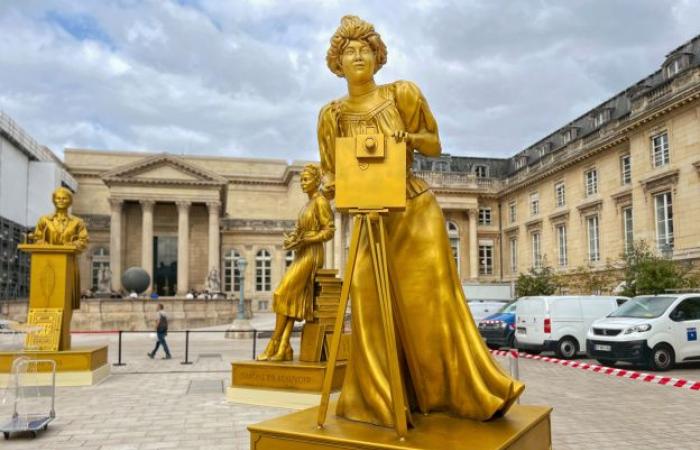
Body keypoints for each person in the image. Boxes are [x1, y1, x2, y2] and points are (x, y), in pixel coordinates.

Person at [316, 16, 524, 429]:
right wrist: (329, 186)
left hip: (413, 209)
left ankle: (453, 396)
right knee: (369, 304)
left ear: (378, 57)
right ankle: (379, 402)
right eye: (348, 51)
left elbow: (433, 141)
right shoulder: (331, 114)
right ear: (337, 63)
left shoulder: (402, 94)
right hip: (368, 215)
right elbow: (329, 172)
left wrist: (406, 141)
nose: (357, 56)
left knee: (431, 307)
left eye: (365, 49)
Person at [256, 164, 335, 361]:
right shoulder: (306, 206)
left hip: (313, 253)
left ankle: (273, 343)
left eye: (306, 179)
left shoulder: (321, 202)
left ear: (316, 181)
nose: (302, 183)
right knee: (290, 299)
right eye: (301, 180)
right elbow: (300, 231)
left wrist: (308, 239)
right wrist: (293, 240)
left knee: (281, 293)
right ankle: (284, 347)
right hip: (302, 251)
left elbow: (329, 231)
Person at [30, 186, 89, 350]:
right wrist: (41, 242)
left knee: (67, 301)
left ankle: (62, 338)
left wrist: (73, 245)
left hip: (68, 264)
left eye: (64, 198)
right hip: (47, 266)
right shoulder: (44, 220)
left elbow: (83, 241)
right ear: (53, 200)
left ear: (70, 201)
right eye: (58, 198)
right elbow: (37, 237)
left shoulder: (77, 222)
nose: (61, 201)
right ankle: (42, 339)